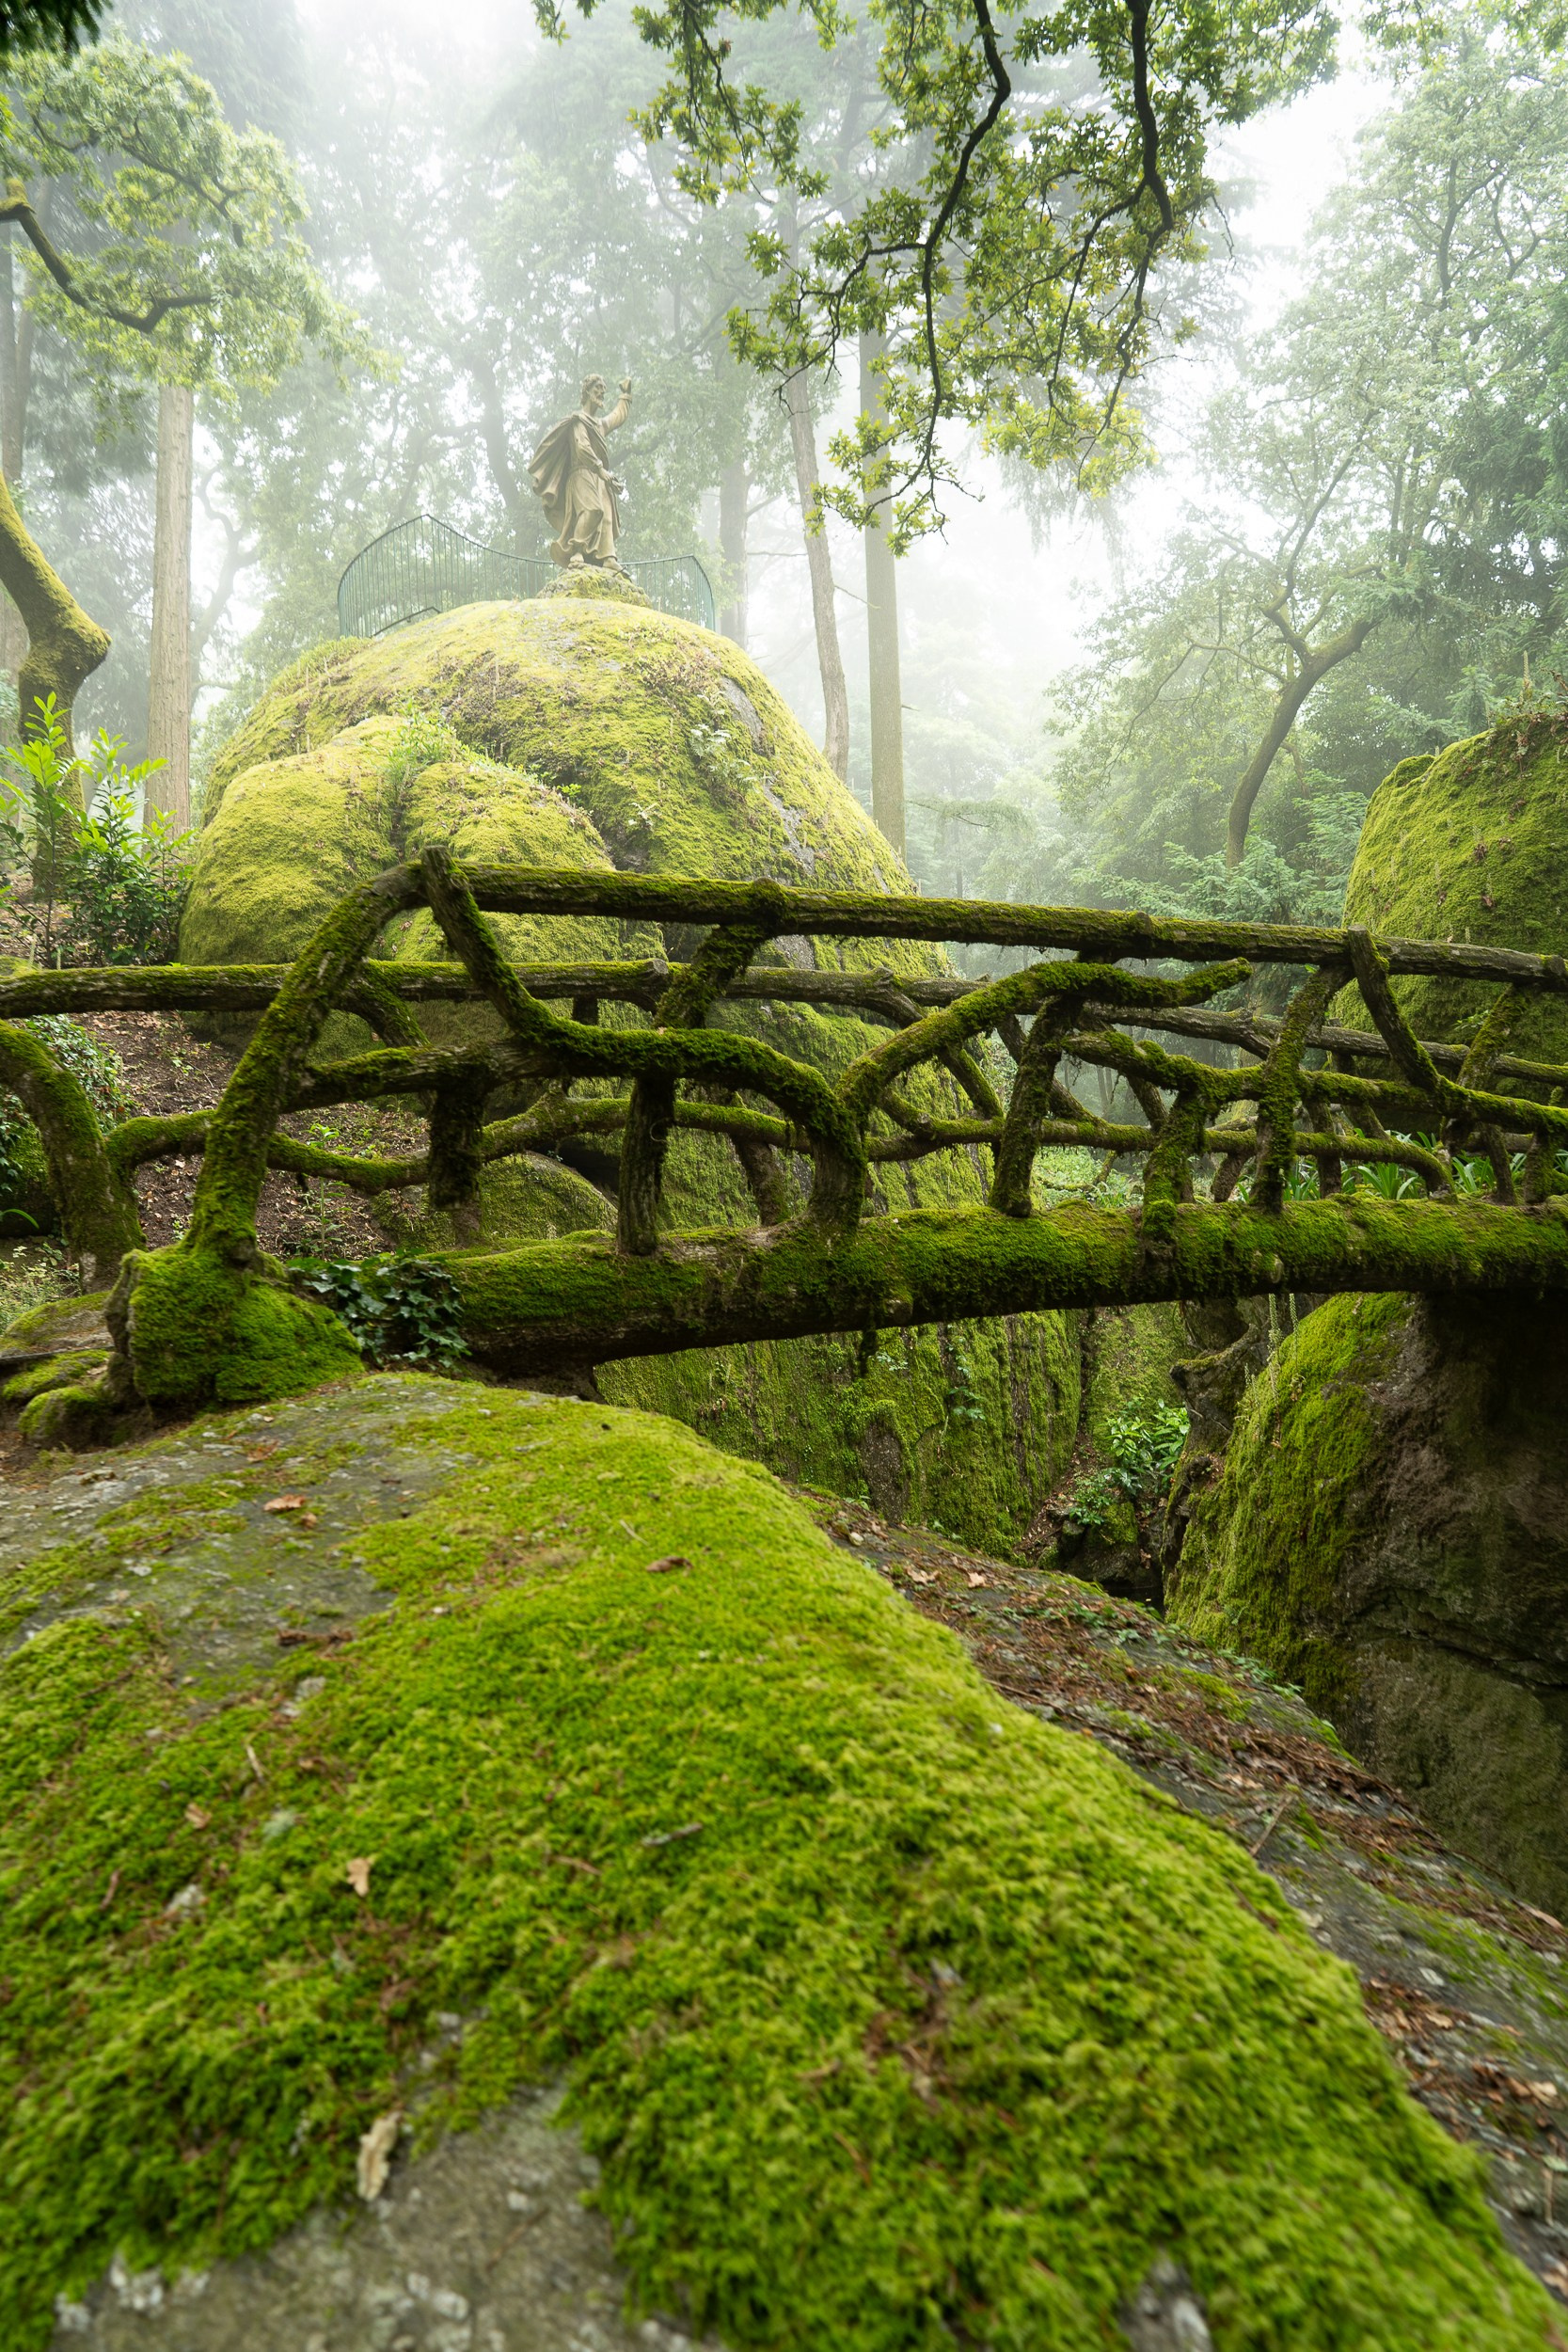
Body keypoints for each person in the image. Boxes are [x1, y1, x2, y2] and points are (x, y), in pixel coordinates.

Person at [528, 373, 633, 567]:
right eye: (597, 388)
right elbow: (582, 447)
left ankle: (608, 557)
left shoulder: (600, 424)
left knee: (607, 517)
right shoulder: (579, 420)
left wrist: (625, 395)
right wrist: (601, 470)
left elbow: (618, 417)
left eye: (603, 389)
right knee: (592, 510)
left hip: (599, 478)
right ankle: (577, 551)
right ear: (587, 391)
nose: (601, 392)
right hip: (581, 473)